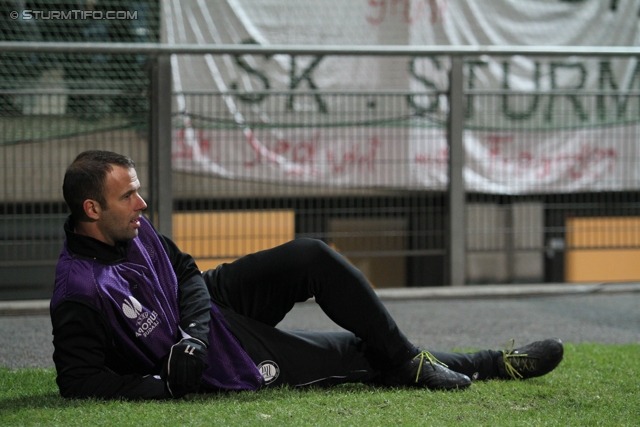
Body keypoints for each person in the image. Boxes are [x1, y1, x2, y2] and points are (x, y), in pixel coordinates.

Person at [50, 150, 564, 400]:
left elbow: (184, 270)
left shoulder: (132, 227)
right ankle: (494, 363)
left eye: (139, 190)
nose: (143, 203)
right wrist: (162, 383)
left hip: (203, 311)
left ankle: (408, 359)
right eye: (128, 195)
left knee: (310, 256)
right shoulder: (78, 291)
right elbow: (77, 380)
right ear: (92, 209)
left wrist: (194, 332)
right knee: (352, 353)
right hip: (212, 349)